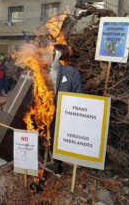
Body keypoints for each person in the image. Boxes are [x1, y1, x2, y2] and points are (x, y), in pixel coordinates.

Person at [48, 44, 83, 174]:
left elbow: (79, 95)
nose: (50, 54)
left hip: (63, 112)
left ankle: (58, 165)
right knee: (50, 136)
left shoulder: (71, 72)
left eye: (53, 52)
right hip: (45, 111)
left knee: (59, 136)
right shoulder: (43, 71)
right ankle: (52, 161)